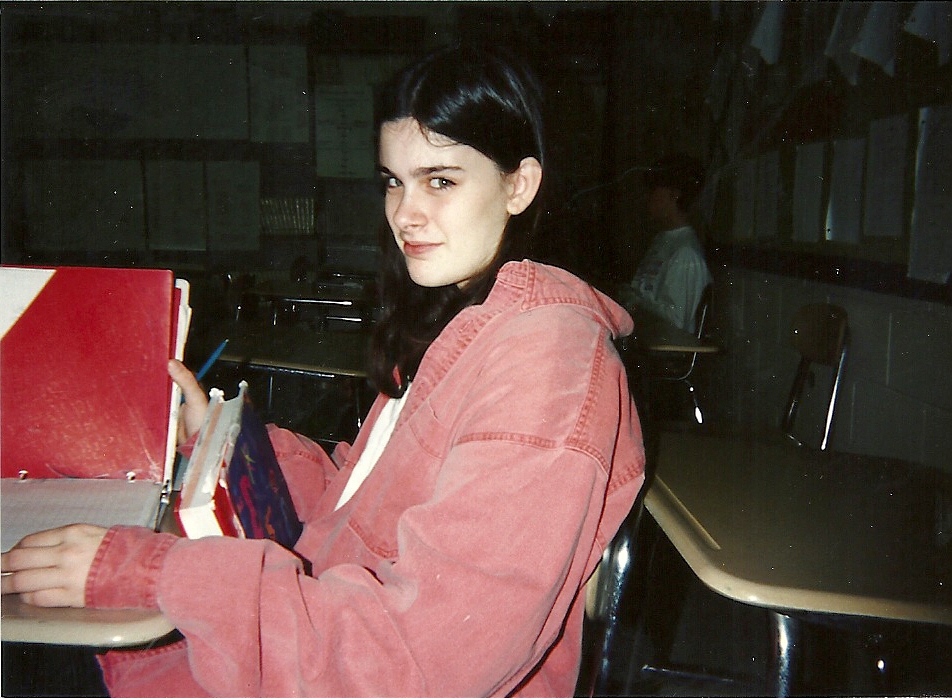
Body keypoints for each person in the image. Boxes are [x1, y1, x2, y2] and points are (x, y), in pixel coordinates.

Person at [2, 45, 645, 698]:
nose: (404, 214)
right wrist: (223, 443)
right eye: (393, 181)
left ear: (519, 185)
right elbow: (362, 502)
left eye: (440, 181)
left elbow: (419, 664)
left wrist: (152, 573)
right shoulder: (472, 319)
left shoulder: (547, 365)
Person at [617, 154, 712, 334]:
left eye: (653, 191)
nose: (647, 198)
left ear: (674, 195)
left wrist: (637, 303)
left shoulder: (686, 253)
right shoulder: (662, 240)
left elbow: (676, 324)